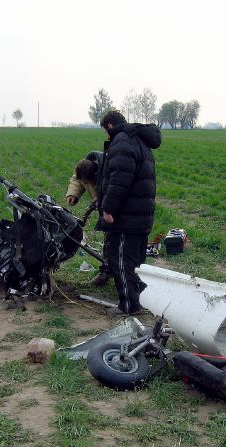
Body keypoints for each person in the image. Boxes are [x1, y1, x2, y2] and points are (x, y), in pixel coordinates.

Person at [96, 110, 161, 315]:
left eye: (105, 131)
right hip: (141, 215)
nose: (106, 136)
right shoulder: (138, 139)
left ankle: (129, 306)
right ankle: (141, 300)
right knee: (135, 263)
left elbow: (119, 178)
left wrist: (108, 208)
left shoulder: (122, 140)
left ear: (109, 126)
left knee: (121, 261)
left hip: (126, 216)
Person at [65, 151, 112, 286]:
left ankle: (117, 272)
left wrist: (103, 199)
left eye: (87, 182)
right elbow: (76, 179)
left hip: (117, 210)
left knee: (114, 241)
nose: (84, 183)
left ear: (96, 175)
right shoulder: (84, 167)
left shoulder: (109, 168)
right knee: (108, 241)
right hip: (105, 209)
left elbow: (116, 187)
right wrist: (73, 194)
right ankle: (106, 272)